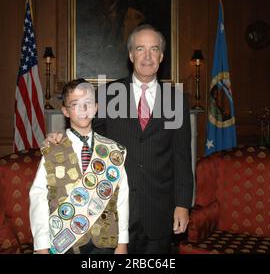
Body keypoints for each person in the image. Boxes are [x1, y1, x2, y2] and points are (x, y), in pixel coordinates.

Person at [46, 24, 193, 254]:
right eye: (140, 49)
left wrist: (183, 204)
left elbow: (182, 157)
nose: (147, 56)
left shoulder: (176, 100)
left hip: (159, 212)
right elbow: (87, 135)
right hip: (113, 209)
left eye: (153, 49)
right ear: (131, 55)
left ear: (161, 56)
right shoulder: (108, 94)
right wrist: (61, 140)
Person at [29, 79, 129, 254]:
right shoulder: (53, 150)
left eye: (88, 103)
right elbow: (38, 198)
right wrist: (41, 245)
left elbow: (122, 198)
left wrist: (122, 243)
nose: (83, 110)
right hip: (65, 241)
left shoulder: (113, 152)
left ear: (96, 107)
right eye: (75, 104)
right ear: (66, 111)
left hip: (104, 241)